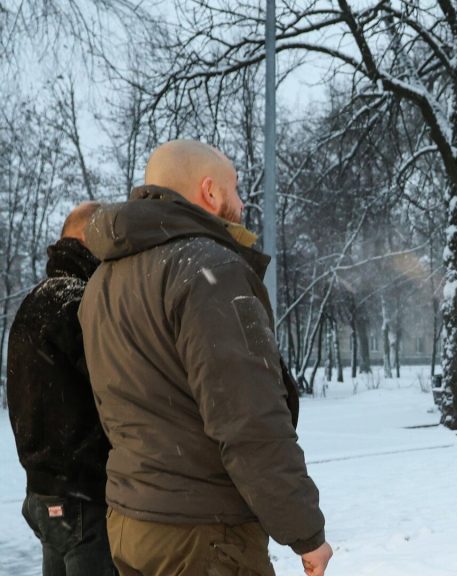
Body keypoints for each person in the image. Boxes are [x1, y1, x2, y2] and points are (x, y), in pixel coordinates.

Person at [78, 140, 332, 576]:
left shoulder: (103, 281)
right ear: (210, 192)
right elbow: (249, 418)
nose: (242, 202)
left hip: (132, 525)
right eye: (235, 188)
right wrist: (305, 532)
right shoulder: (210, 270)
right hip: (204, 535)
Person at [6, 202, 115, 576]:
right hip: (83, 498)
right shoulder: (77, 302)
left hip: (45, 494)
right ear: (90, 238)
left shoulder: (35, 301)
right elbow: (116, 386)